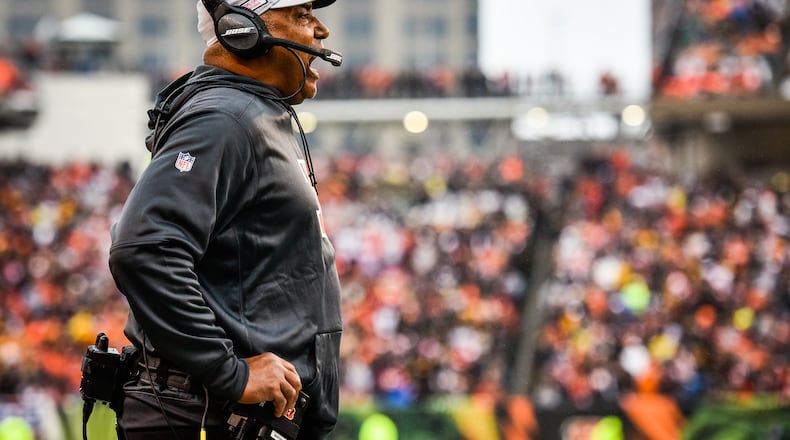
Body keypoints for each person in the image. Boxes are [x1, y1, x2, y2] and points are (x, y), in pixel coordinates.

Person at [108, 0, 343, 438]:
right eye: (303, 15)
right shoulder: (224, 118)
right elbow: (144, 249)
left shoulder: (251, 113)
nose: (321, 31)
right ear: (242, 28)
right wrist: (230, 372)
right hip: (203, 415)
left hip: (223, 415)